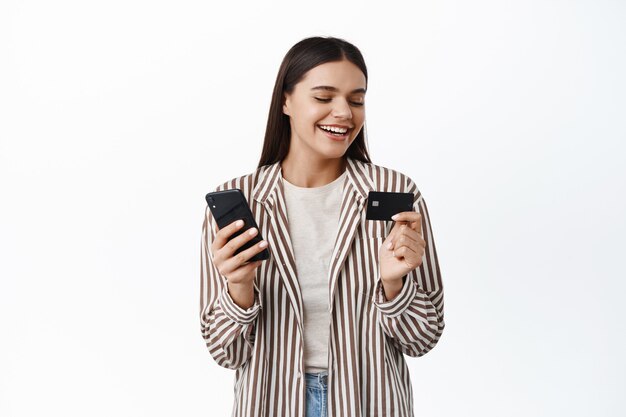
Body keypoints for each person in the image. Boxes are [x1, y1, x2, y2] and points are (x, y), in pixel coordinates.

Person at [200, 36, 445, 417]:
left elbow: (422, 340)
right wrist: (239, 288)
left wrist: (395, 287)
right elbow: (225, 352)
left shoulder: (396, 193)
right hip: (271, 403)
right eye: (324, 97)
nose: (344, 113)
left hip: (372, 402)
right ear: (286, 101)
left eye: (357, 99)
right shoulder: (239, 201)